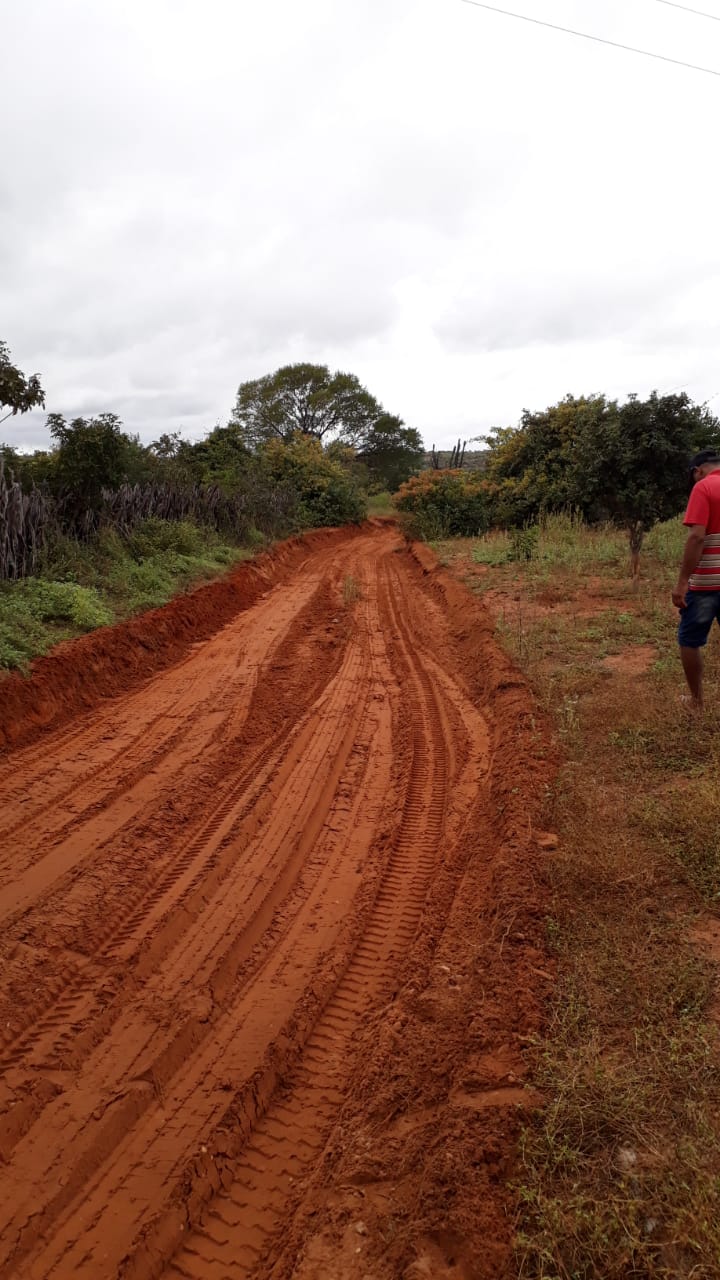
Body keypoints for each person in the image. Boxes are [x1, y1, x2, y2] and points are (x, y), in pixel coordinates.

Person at [672, 448, 720, 709]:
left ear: (697, 471)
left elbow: (697, 537)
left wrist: (681, 583)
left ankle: (697, 701)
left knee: (689, 640)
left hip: (707, 585)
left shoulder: (703, 488)